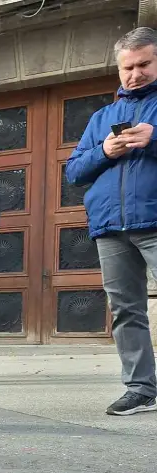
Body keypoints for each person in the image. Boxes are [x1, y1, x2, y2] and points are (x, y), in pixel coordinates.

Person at [67, 27, 157, 417]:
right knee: (126, 309)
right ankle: (140, 388)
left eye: (143, 64)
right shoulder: (102, 117)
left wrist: (154, 140)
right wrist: (104, 149)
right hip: (111, 227)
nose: (134, 74)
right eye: (127, 67)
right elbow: (74, 171)